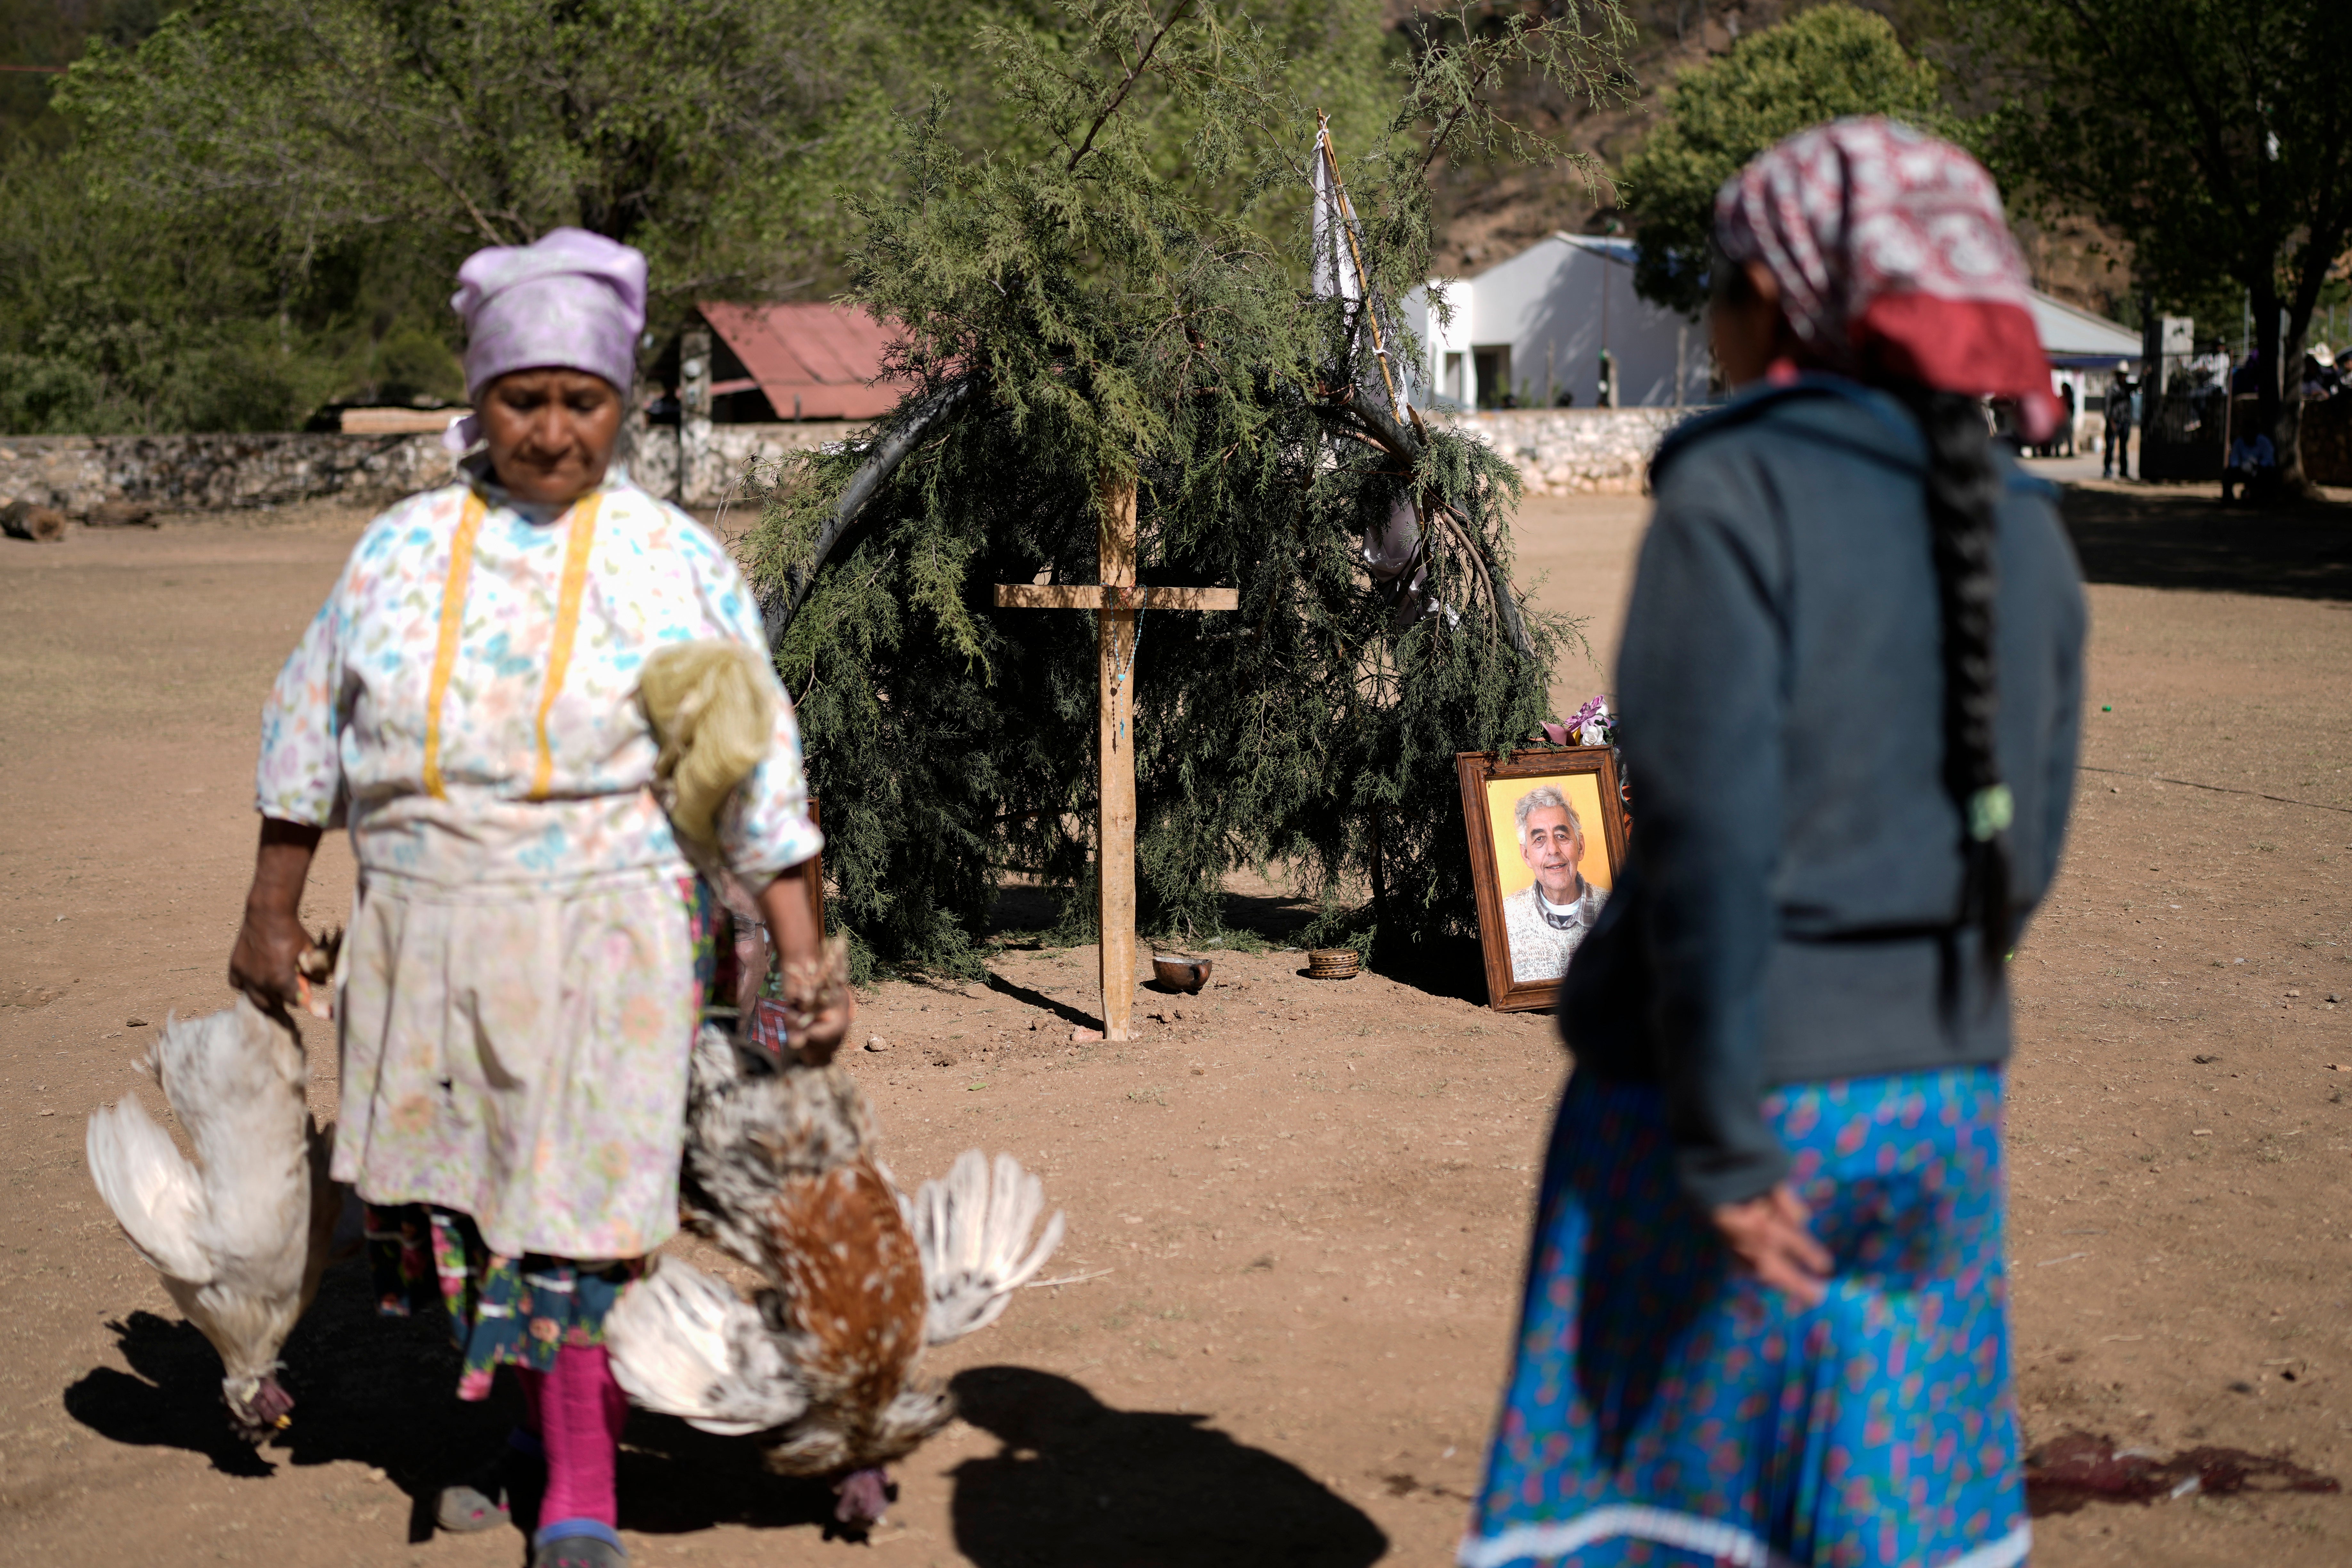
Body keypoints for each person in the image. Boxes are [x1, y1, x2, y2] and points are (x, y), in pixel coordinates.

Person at [1460, 118, 2083, 1568]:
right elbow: (2022, 859)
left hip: (1726, 1105)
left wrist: (1728, 1134)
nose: (1710, 321)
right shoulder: (2022, 526)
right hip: (1937, 1109)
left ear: (1779, 300)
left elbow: (1703, 845)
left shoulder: (1730, 494)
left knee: (1668, 1519)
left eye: (1719, 286)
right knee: (1882, 1521)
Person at [229, 228, 850, 1568]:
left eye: (584, 400)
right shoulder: (399, 552)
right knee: (462, 1218)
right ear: (481, 397)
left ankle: (579, 1487)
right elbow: (306, 730)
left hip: (607, 949)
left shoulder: (673, 563)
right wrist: (272, 909)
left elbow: (756, 767)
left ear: (622, 405)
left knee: (577, 1221)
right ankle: (529, 1429)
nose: (554, 431)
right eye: (525, 399)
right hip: (422, 947)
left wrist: (804, 956)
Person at [1499, 787, 1606, 984]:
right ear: (1526, 855)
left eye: (1561, 836)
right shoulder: (1503, 919)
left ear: (1580, 847)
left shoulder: (1616, 909)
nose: (1553, 850)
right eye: (1539, 839)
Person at [2223, 422, 2278, 503]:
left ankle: (2267, 500)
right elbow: (2234, 458)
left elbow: (2269, 458)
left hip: (2260, 470)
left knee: (2271, 473)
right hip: (2243, 469)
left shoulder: (2264, 441)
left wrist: (2257, 466)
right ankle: (2228, 501)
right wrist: (2240, 467)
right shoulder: (2239, 442)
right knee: (2228, 473)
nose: (2248, 435)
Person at [2104, 363, 2137, 478]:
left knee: (2124, 448)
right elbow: (2107, 409)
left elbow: (2138, 385)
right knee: (2110, 447)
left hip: (2125, 422)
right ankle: (2108, 470)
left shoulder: (2127, 389)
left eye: (2125, 375)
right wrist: (2111, 422)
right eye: (2122, 375)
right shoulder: (2112, 390)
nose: (2124, 378)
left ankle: (2124, 471)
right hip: (2114, 422)